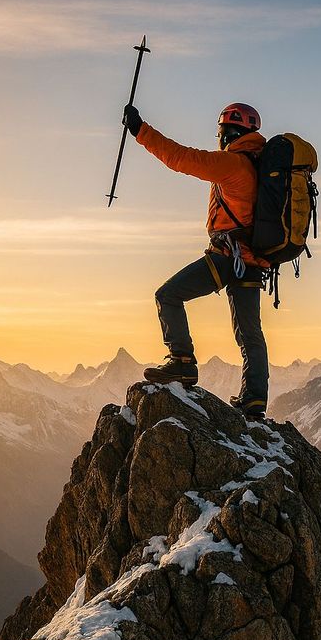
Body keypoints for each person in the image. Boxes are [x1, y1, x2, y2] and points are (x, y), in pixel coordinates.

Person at [123, 101, 270, 419]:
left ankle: (182, 362)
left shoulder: (233, 164)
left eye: (221, 132)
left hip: (228, 258)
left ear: (229, 132)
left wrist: (140, 130)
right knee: (250, 333)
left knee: (168, 295)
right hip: (253, 260)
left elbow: (181, 158)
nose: (219, 138)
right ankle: (254, 403)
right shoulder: (258, 166)